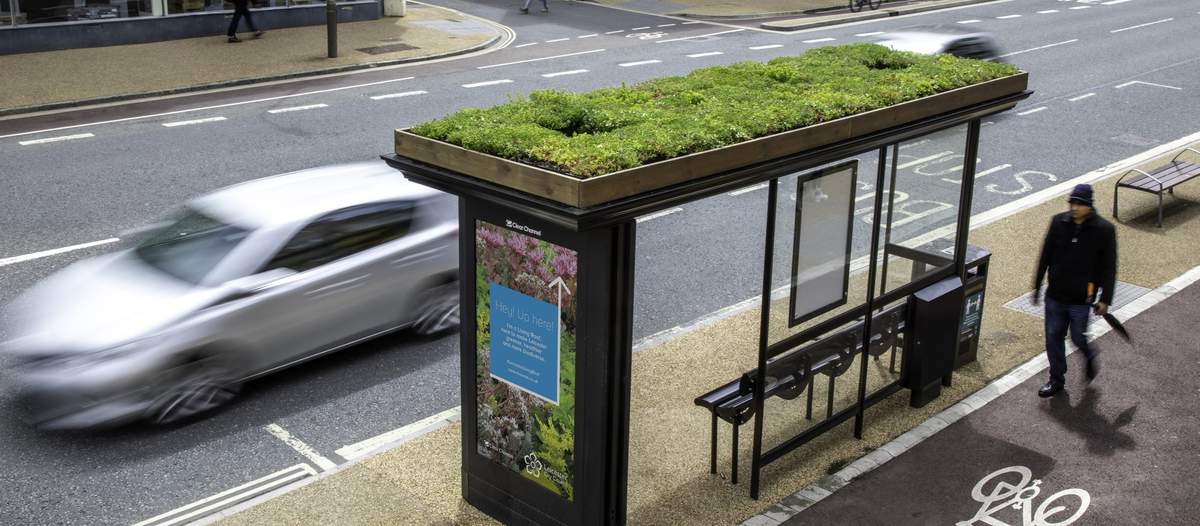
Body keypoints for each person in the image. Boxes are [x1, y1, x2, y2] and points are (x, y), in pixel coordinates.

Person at [1031, 184, 1117, 398]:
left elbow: (1109, 267)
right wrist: (1037, 284)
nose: (1075, 207)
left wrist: (1105, 299)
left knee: (1078, 337)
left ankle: (1088, 355)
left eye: (1080, 204)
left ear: (1089, 206)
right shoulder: (1058, 222)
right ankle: (1056, 379)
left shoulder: (1104, 230)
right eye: (1072, 202)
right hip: (1056, 295)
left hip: (1081, 299)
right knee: (1053, 338)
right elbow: (1046, 254)